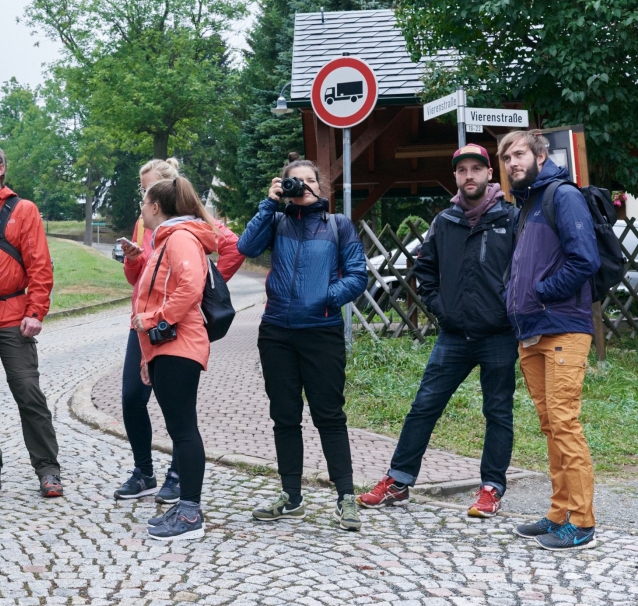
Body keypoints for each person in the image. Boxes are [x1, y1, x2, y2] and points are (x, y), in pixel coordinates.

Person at [357, 144, 518, 517]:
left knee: (498, 412)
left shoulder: (510, 219)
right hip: (454, 335)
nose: (470, 176)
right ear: (456, 178)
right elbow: (424, 272)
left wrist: (509, 310)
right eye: (462, 171)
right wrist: (443, 312)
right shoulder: (445, 222)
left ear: (490, 174)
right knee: (423, 407)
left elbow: (525, 270)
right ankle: (398, 482)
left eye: (477, 168)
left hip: (498, 335)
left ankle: (491, 488)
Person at [236, 153, 366, 531]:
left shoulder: (338, 225)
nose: (302, 186)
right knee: (284, 415)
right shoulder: (275, 221)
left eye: (309, 179)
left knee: (329, 414)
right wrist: (269, 203)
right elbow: (246, 247)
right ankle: (291, 497)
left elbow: (357, 275)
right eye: (294, 180)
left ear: (320, 186)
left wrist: (324, 297)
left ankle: (345, 497)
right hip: (276, 331)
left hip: (321, 331)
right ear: (284, 185)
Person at [114, 158, 244, 504]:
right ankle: (146, 472)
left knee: (181, 422)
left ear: (163, 196)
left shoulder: (184, 229)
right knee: (134, 398)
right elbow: (143, 278)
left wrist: (209, 290)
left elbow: (213, 261)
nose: (142, 198)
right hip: (148, 326)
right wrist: (133, 260)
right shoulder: (153, 227)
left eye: (146, 191)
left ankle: (184, 495)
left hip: (170, 328)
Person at [500, 130, 600, 550]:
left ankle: (583, 522)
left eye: (518, 154)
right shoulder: (527, 205)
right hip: (531, 331)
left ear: (541, 155)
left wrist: (541, 291)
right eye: (505, 158)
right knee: (550, 427)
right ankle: (559, 512)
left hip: (562, 326)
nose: (511, 163)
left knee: (564, 423)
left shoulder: (562, 195)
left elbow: (585, 260)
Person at [0, 141, 63, 498]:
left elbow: (40, 266)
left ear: (0, 168)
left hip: (14, 318)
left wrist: (36, 312)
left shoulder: (25, 210)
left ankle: (48, 469)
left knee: (28, 393)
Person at [131, 176, 220, 541]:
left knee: (184, 430)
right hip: (166, 347)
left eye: (143, 202)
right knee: (180, 428)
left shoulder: (180, 238)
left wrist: (153, 320)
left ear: (155, 207)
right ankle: (185, 506)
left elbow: (190, 287)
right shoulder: (168, 238)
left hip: (180, 345)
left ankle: (189, 514)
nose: (141, 209)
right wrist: (146, 355)